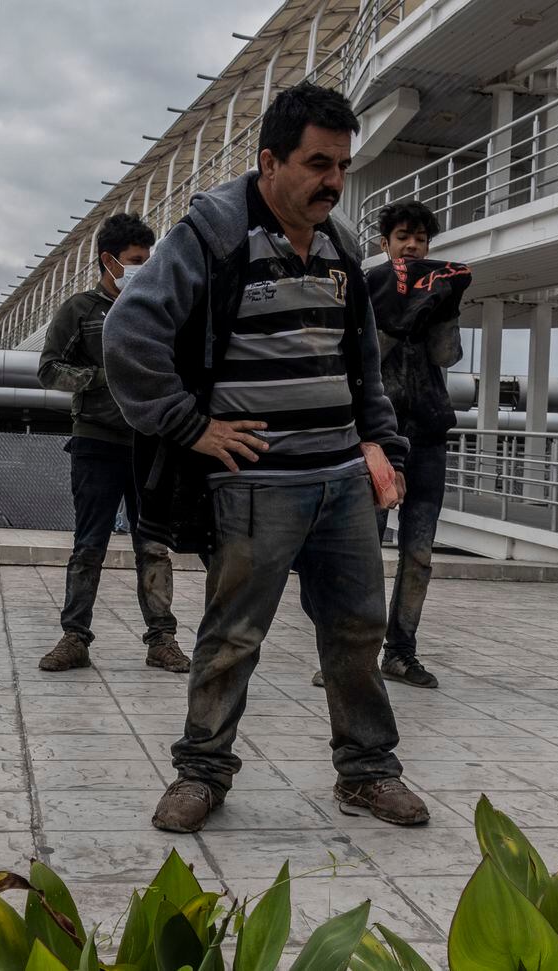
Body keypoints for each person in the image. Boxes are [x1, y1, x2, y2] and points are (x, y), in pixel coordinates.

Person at [104, 81, 430, 833]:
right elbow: (129, 335)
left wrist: (381, 444)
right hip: (256, 485)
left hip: (342, 479)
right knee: (231, 638)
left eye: (343, 165)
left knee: (356, 631)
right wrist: (190, 426)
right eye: (318, 163)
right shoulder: (213, 233)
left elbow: (363, 361)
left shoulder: (344, 244)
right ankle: (203, 771)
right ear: (270, 160)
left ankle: (369, 771)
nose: (334, 182)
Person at [312, 202, 470, 690]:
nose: (412, 246)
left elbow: (449, 355)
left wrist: (441, 309)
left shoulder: (438, 286)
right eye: (403, 237)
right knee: (362, 549)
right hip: (378, 438)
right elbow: (361, 355)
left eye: (420, 239)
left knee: (418, 551)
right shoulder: (370, 286)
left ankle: (401, 651)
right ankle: (351, 653)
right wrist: (395, 313)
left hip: (427, 436)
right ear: (385, 242)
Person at [37, 213, 188, 674]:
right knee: (89, 545)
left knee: (155, 546)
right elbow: (48, 368)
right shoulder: (80, 310)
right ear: (109, 260)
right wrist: (104, 379)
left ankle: (162, 639)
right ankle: (74, 636)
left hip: (151, 446)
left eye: (148, 259)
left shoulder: (159, 310)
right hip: (96, 444)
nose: (144, 267)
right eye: (135, 260)